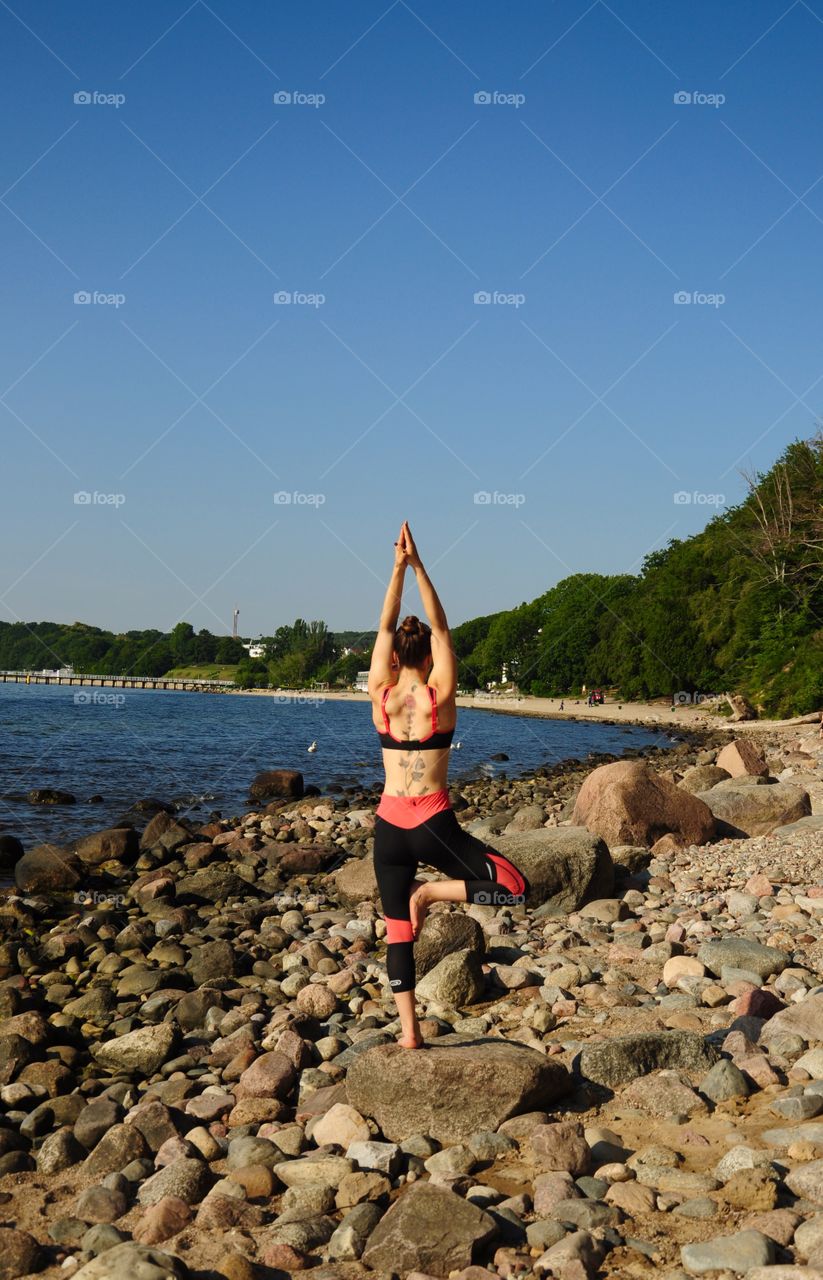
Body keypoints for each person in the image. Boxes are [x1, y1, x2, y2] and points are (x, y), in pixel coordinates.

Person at [369, 521, 529, 1050]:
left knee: (398, 932)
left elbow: (385, 626)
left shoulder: (380, 695)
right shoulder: (440, 695)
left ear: (395, 658)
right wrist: (418, 565)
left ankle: (409, 1033)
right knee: (514, 888)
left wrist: (395, 568)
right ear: (429, 658)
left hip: (389, 827)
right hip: (433, 825)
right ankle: (432, 892)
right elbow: (440, 628)